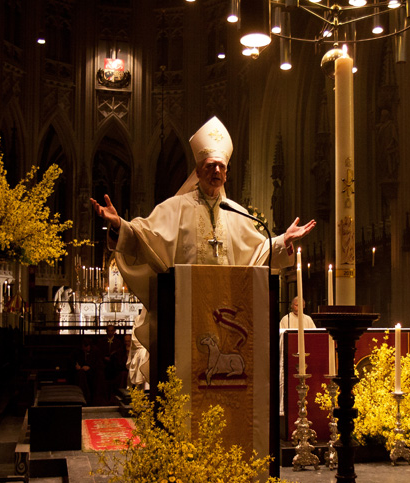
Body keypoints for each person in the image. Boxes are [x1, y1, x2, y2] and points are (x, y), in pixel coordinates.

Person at [90, 116, 317, 374]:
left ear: (227, 174)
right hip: (185, 313)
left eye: (221, 166)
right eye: (210, 166)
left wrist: (282, 240)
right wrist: (119, 224)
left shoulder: (237, 213)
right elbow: (143, 236)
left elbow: (258, 250)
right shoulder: (175, 208)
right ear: (197, 172)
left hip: (226, 315)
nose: (216, 171)